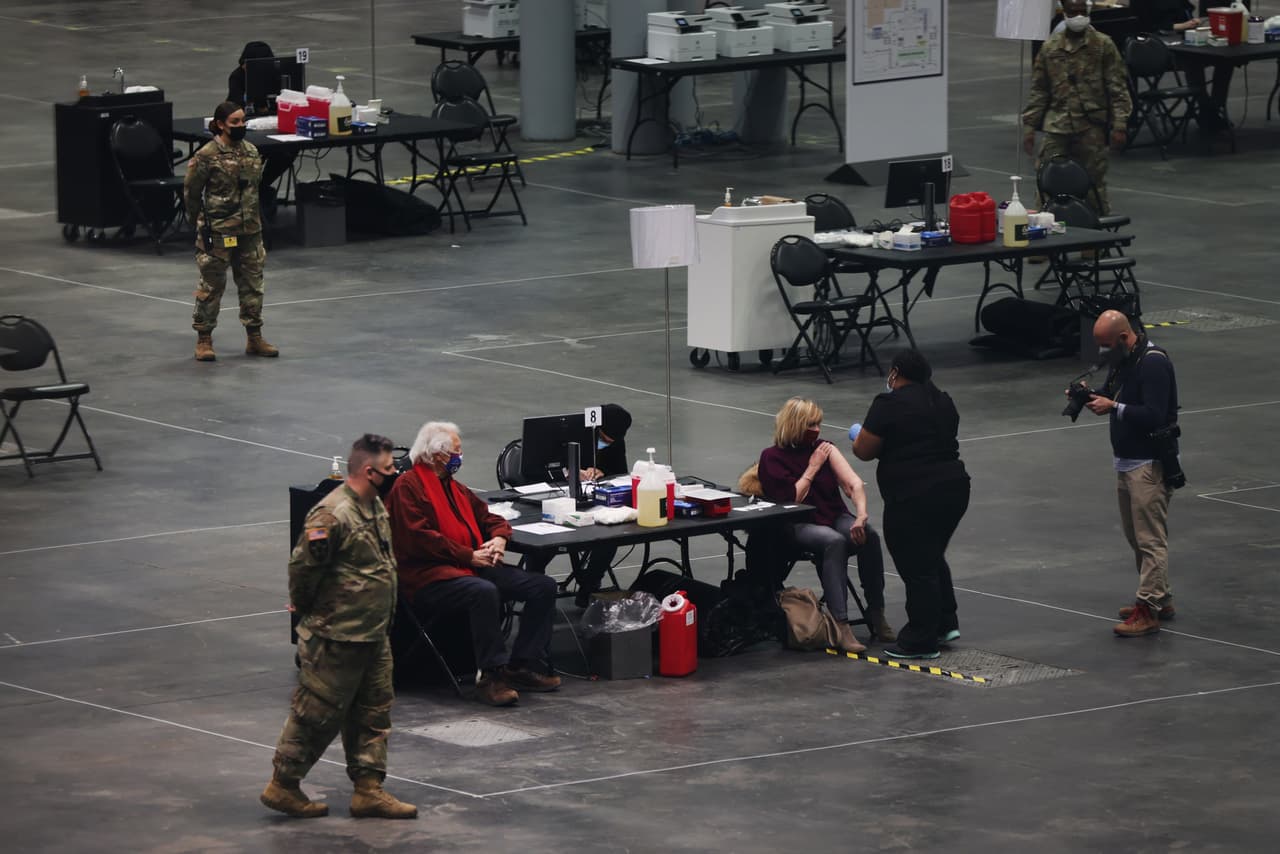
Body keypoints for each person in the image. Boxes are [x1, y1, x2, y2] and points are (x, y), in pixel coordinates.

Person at [262, 434, 417, 820]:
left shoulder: (374, 506)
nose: (394, 474)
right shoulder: (332, 515)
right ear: (368, 471)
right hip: (338, 636)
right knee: (316, 713)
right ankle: (283, 784)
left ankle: (369, 789)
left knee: (374, 711)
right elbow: (303, 571)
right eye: (388, 470)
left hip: (373, 634)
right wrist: (313, 614)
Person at [387, 421, 561, 707]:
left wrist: (500, 539)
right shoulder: (409, 487)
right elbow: (419, 539)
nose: (460, 455)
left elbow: (490, 517)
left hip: (467, 568)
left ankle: (522, 665)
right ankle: (491, 676)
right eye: (456, 450)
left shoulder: (453, 488)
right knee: (482, 592)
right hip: (428, 578)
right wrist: (467, 555)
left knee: (542, 586)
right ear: (437, 455)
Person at [852, 351, 970, 660]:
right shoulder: (944, 401)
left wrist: (857, 434)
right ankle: (945, 622)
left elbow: (864, 449)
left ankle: (920, 639)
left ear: (895, 373)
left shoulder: (888, 404)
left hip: (914, 495)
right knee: (931, 555)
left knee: (916, 566)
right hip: (954, 489)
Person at [757, 397, 894, 653]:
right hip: (797, 522)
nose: (817, 429)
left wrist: (861, 514)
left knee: (870, 535)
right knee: (834, 541)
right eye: (811, 424)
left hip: (832, 515)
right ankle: (840, 624)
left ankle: (876, 611)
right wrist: (813, 467)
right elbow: (792, 498)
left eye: (819, 423)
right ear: (796, 425)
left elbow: (853, 484)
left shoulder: (825, 448)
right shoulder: (771, 458)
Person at [1078, 310, 1180, 637]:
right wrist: (1088, 396)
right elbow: (1112, 396)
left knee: (1150, 540)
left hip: (1148, 463)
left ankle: (1146, 609)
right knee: (1135, 537)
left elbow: (1154, 414)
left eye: (1106, 344)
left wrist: (1114, 407)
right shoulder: (1124, 360)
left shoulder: (1152, 363)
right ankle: (1160, 599)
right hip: (1126, 460)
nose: (1103, 351)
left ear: (1124, 337)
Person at [183, 101, 278, 362]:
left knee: (253, 284)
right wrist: (196, 224)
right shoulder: (206, 155)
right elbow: (191, 193)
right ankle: (204, 339)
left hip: (249, 230)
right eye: (234, 122)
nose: (241, 126)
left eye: (242, 121)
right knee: (211, 285)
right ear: (220, 124)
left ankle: (254, 337)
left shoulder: (251, 151)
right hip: (219, 230)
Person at [1023, 0, 1132, 216]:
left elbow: (1117, 87)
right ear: (1065, 13)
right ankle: (1044, 238)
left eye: (1083, 11)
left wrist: (1120, 124)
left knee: (1094, 184)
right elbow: (1040, 90)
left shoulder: (1103, 45)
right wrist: (1030, 126)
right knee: (1045, 181)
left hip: (1090, 126)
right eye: (1074, 12)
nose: (1078, 16)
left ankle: (1094, 242)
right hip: (1057, 125)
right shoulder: (1050, 48)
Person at [575, 402, 632, 605]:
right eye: (602, 439)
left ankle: (590, 585)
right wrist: (573, 471)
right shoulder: (575, 433)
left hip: (598, 500)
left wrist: (602, 472)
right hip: (565, 497)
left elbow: (620, 473)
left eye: (609, 442)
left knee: (610, 536)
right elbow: (545, 466)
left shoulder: (616, 441)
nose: (605, 444)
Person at [1132, 0, 1201, 32]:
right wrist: (1178, 26)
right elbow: (1144, 23)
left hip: (1181, 36)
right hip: (1153, 38)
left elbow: (1186, 9)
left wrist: (1192, 21)